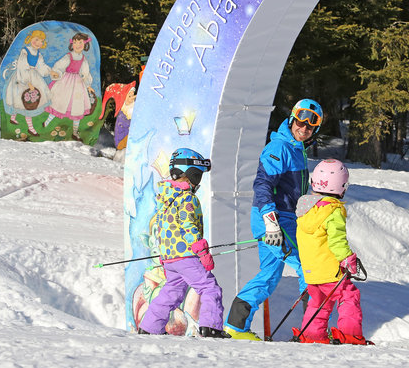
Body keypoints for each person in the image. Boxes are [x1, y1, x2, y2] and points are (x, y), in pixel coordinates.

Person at [224, 98, 324, 340]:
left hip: (282, 219)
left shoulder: (296, 149)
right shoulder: (280, 147)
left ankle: (236, 327)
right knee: (308, 269)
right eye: (301, 119)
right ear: (292, 118)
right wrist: (270, 221)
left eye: (312, 124)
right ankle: (313, 331)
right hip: (275, 221)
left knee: (269, 275)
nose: (305, 127)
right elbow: (263, 184)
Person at [137, 148, 231, 338]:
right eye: (196, 176)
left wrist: (165, 257)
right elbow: (189, 227)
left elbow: (163, 229)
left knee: (172, 291)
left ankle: (149, 326)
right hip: (186, 255)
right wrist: (202, 252)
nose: (198, 182)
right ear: (187, 174)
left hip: (170, 257)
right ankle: (211, 326)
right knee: (209, 287)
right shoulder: (187, 198)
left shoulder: (166, 199)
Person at [293, 159, 368, 345]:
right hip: (330, 271)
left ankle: (312, 336)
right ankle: (349, 335)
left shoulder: (305, 211)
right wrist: (348, 259)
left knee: (318, 302)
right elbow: (337, 241)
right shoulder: (333, 210)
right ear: (342, 186)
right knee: (349, 296)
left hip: (311, 271)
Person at [43, 32, 96, 140]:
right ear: (72, 44)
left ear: (85, 44)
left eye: (80, 42)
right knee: (59, 103)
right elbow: (59, 66)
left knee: (77, 106)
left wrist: (88, 85)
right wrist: (57, 72)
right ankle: (46, 123)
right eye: (75, 42)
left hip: (77, 84)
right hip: (65, 82)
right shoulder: (69, 56)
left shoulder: (83, 59)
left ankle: (75, 132)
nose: (77, 45)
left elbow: (85, 73)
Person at [3, 29, 52, 136]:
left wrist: (49, 71)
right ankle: (30, 128)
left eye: (41, 41)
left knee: (24, 101)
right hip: (23, 76)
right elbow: (22, 65)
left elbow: (41, 65)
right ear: (31, 39)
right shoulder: (25, 51)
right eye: (37, 39)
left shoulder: (38, 54)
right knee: (26, 100)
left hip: (34, 75)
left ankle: (13, 117)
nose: (39, 43)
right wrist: (27, 82)